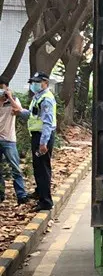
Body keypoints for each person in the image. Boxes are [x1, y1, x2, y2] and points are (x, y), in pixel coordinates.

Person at [12, 72, 57, 212]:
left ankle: (46, 202)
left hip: (43, 137)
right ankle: (40, 192)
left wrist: (43, 143)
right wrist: (20, 112)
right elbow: (34, 115)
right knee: (38, 167)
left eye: (37, 82)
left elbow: (47, 123)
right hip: (38, 136)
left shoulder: (46, 99)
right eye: (33, 82)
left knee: (42, 169)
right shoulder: (38, 97)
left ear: (45, 83)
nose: (34, 85)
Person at [0, 77, 28, 205]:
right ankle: (1, 194)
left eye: (2, 88)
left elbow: (20, 112)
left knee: (15, 168)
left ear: (7, 88)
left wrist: (10, 98)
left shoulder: (13, 100)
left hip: (9, 140)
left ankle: (21, 195)